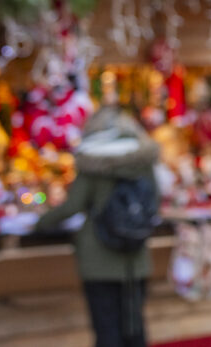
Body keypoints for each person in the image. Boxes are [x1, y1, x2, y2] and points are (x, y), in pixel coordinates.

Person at [36, 107, 160, 347]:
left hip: (98, 258)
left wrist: (39, 222)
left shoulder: (93, 162)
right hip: (134, 259)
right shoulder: (142, 162)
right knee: (134, 328)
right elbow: (154, 202)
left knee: (106, 330)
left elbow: (72, 206)